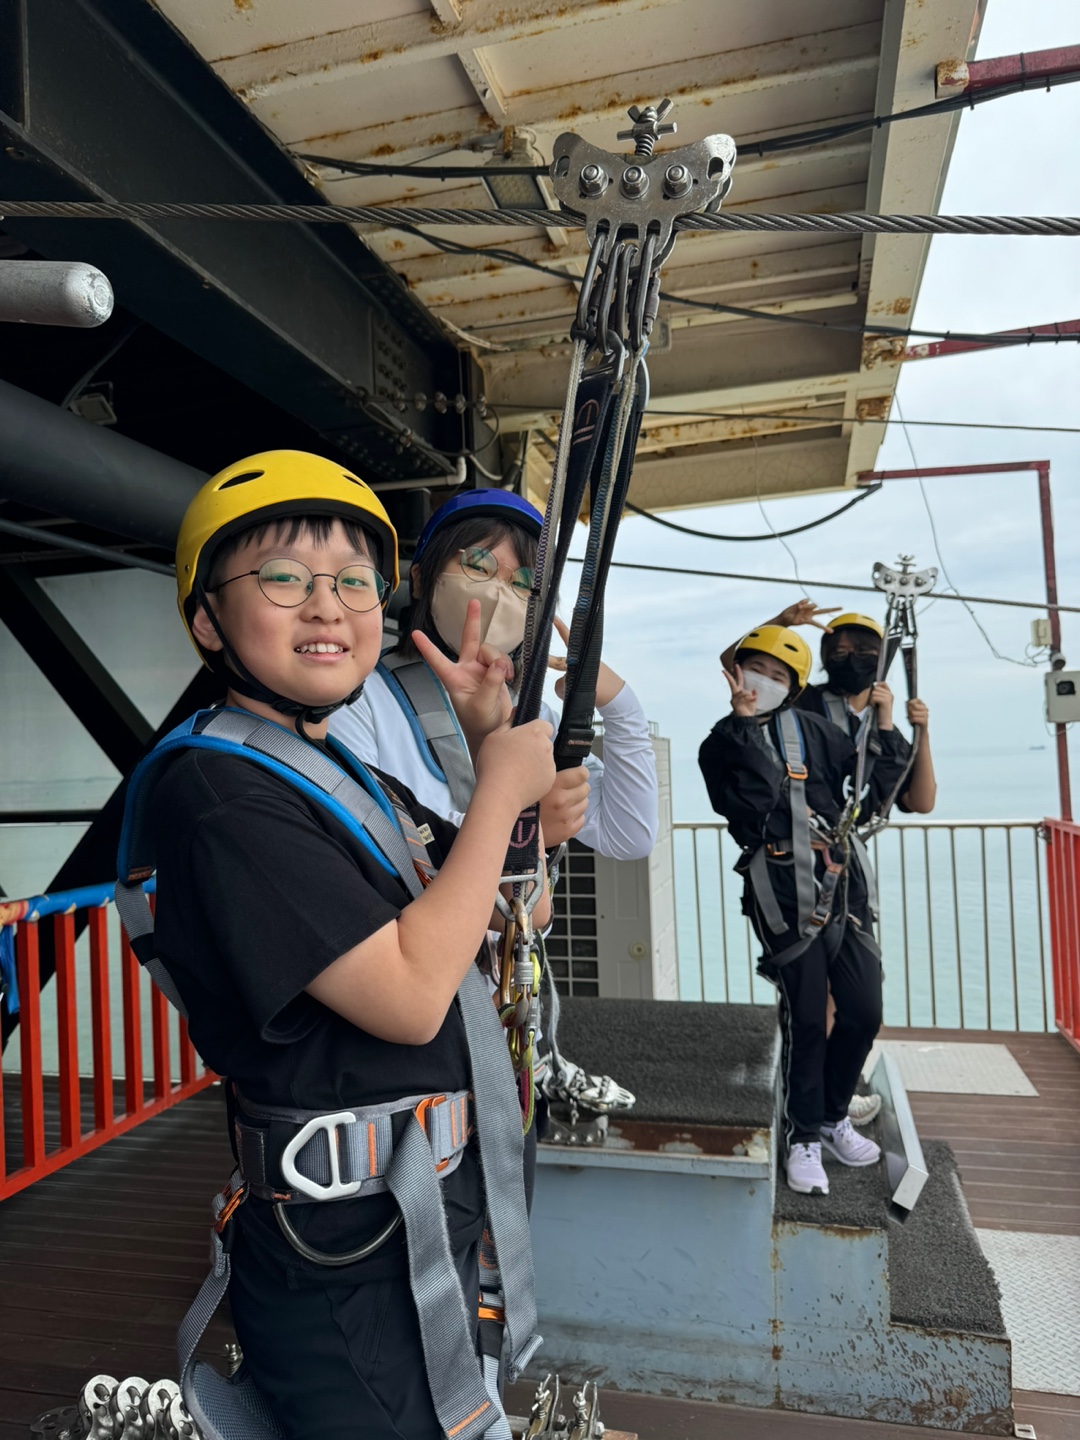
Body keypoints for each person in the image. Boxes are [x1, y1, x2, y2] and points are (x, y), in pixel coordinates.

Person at [146, 451, 556, 1440]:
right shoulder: (219, 795)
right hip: (344, 1248)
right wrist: (498, 785)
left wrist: (486, 743)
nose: (327, 605)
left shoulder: (336, 772)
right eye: (283, 578)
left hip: (415, 1214)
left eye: (354, 582)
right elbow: (415, 990)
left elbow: (500, 916)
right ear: (209, 620)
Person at [330, 489, 656, 1134]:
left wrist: (623, 710)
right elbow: (379, 881)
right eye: (477, 564)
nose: (499, 591)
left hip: (504, 1016)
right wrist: (524, 829)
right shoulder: (358, 704)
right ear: (420, 577)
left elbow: (628, 833)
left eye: (526, 582)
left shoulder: (535, 716)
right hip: (406, 1029)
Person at [699, 626, 886, 1196]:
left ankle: (831, 1117)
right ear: (736, 675)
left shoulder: (821, 733)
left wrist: (888, 728)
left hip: (841, 884)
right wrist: (746, 727)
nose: (764, 682)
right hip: (779, 891)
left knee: (862, 1007)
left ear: (795, 687)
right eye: (755, 670)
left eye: (779, 677)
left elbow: (870, 792)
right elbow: (751, 812)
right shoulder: (721, 744)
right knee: (807, 1016)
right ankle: (803, 1133)